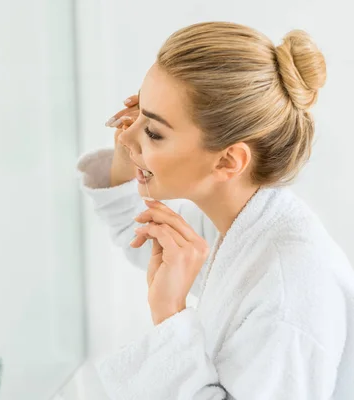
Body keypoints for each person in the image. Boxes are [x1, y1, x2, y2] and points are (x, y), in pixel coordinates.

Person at [78, 22, 354, 399]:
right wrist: (131, 159)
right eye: (138, 112)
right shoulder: (241, 223)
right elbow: (141, 236)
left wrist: (170, 316)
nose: (126, 136)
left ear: (227, 161)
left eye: (154, 132)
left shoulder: (289, 295)